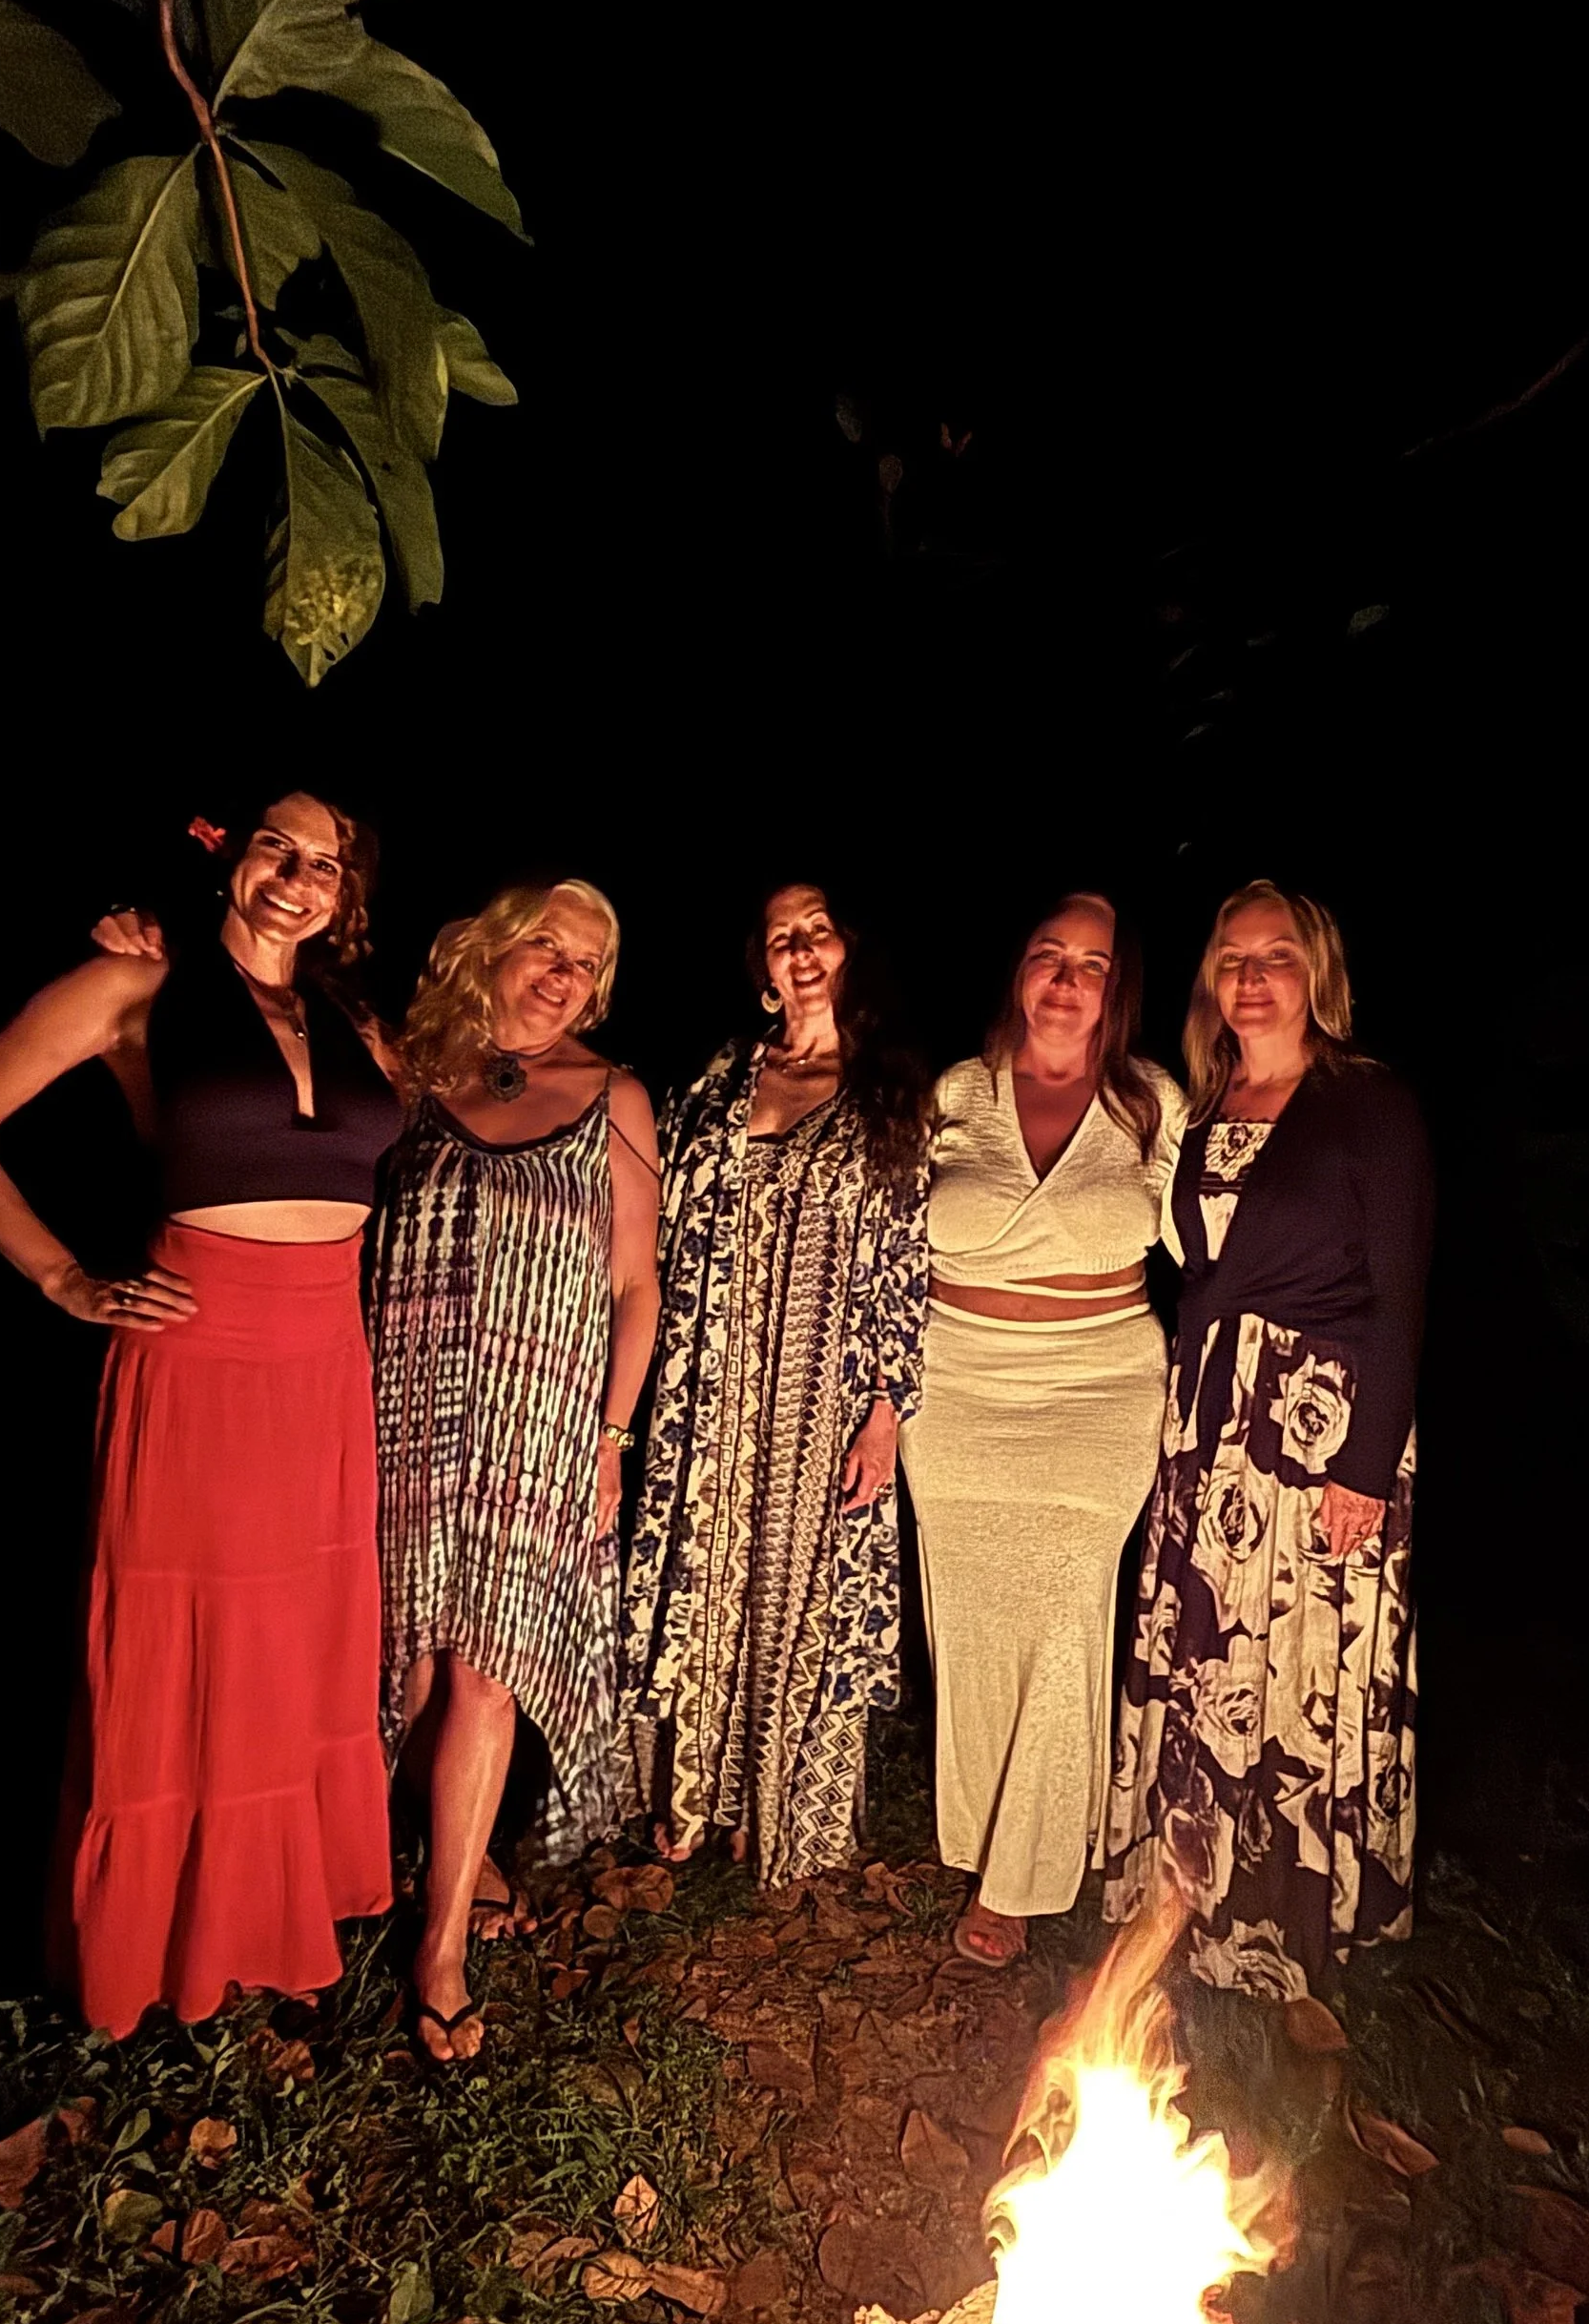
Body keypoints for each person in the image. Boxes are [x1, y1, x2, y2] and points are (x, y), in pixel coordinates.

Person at [0, 796, 403, 2034]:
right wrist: (59, 1273)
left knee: (290, 1648)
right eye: (277, 850)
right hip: (200, 1352)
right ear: (228, 859)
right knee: (188, 1650)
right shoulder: (138, 984)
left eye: (327, 866)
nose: (298, 878)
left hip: (324, 1357)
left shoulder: (350, 1017)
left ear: (348, 895)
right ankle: (158, 1953)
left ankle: (269, 1926)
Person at [1103, 882, 1432, 1999]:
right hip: (1207, 1428)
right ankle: (1189, 1892)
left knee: (1296, 1666)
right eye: (1230, 958)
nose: (1250, 977)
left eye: (1275, 956)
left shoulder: (1367, 1105)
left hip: (1317, 1424)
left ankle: (1289, 1913)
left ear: (1316, 975)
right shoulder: (1199, 1106)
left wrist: (1365, 1465)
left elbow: (1398, 1297)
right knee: (1206, 1658)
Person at [369, 882, 659, 2061]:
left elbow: (636, 1283)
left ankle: (437, 1945)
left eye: (587, 963)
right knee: (403, 1663)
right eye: (547, 944)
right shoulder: (406, 1072)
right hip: (398, 1402)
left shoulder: (611, 1095)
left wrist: (610, 1432)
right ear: (491, 947)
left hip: (542, 1416)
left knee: (487, 1668)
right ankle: (434, 1855)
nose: (563, 973)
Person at [616, 881, 932, 1885]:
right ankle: (689, 1797)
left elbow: (905, 1252)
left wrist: (885, 1409)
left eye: (818, 932)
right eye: (779, 937)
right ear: (760, 964)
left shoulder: (890, 1087)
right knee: (702, 1571)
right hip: (708, 1374)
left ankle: (778, 1810)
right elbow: (653, 1214)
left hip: (823, 1383)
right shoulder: (718, 1078)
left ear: (849, 950)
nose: (798, 950)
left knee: (801, 1590)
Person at [901, 896, 1187, 1966]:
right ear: (1017, 973)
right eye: (1048, 957)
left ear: (1119, 990)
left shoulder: (1151, 1100)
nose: (1067, 981)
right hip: (958, 1379)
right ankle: (980, 1833)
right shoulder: (955, 1093)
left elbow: (1203, 1238)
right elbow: (889, 1247)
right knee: (969, 1623)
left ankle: (1022, 1874)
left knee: (1066, 1616)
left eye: (1093, 965)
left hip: (1096, 1385)